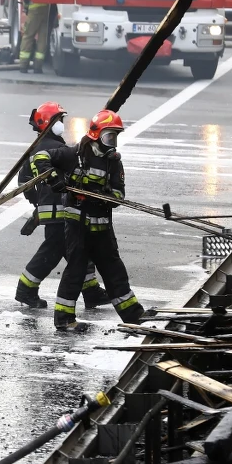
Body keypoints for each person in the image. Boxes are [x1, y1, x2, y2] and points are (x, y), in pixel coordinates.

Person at [30, 110, 143, 331]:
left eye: (114, 137)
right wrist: (53, 179)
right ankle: (63, 319)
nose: (112, 142)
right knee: (76, 270)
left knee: (114, 270)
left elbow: (119, 194)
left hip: (102, 227)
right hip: (78, 226)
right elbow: (39, 158)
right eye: (108, 136)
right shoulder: (73, 154)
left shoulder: (114, 163)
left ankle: (133, 315)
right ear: (95, 135)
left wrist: (108, 199)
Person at [15, 102, 108, 311]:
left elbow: (23, 181)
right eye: (58, 120)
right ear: (48, 123)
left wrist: (37, 201)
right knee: (53, 251)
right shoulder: (55, 148)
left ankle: (91, 291)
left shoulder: (36, 149)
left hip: (51, 209)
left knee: (77, 250)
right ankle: (25, 289)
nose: (62, 124)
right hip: (61, 210)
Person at [18, 1, 52, 73]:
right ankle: (38, 66)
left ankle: (23, 65)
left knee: (28, 36)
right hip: (46, 8)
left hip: (34, 8)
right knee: (43, 38)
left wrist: (26, 6)